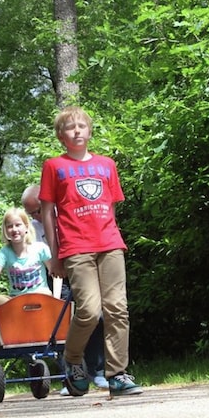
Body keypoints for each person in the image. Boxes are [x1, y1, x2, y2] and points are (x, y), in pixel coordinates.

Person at [39, 106, 143, 397]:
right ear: (61, 136)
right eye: (70, 128)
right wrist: (55, 254)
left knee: (117, 310)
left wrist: (114, 237)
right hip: (75, 247)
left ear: (89, 131)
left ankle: (117, 375)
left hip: (109, 244)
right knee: (88, 310)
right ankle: (72, 360)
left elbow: (110, 208)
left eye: (82, 126)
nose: (77, 131)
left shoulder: (107, 165)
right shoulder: (53, 166)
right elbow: (48, 213)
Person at [21, 185, 109, 391]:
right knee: (59, 324)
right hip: (55, 278)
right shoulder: (32, 229)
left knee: (96, 316)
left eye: (36, 211)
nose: (35, 216)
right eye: (30, 213)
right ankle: (70, 376)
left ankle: (98, 372)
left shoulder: (70, 215)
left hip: (82, 273)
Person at [0, 207, 52, 319]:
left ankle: (15, 316)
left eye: (18, 225)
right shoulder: (5, 252)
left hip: (39, 299)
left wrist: (56, 298)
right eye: (10, 226)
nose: (14, 229)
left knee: (43, 297)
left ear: (26, 227)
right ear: (6, 230)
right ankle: (11, 319)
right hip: (16, 302)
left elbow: (56, 273)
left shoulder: (40, 248)